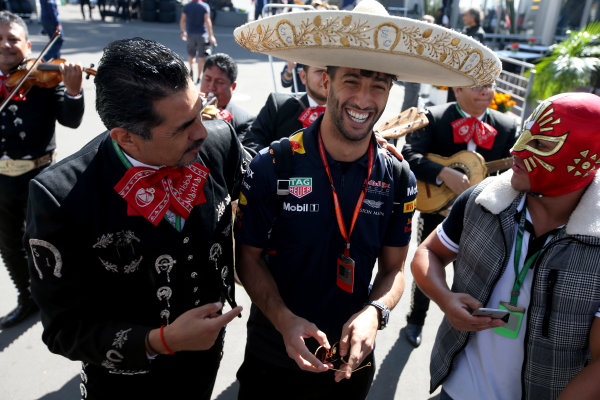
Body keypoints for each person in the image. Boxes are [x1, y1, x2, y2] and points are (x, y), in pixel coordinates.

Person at [232, 0, 501, 397]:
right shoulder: (274, 163)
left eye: (378, 85)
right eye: (352, 81)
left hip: (351, 362)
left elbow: (395, 269)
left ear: (390, 91)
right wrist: (284, 320)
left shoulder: (399, 177)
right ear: (327, 82)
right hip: (274, 355)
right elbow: (246, 257)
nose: (363, 98)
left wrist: (375, 314)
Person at [24, 38, 246, 399]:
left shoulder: (219, 142)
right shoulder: (61, 197)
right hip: (125, 383)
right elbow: (64, 328)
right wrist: (162, 340)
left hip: (206, 363)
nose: (202, 132)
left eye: (199, 111)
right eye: (183, 127)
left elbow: (272, 192)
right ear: (126, 138)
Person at [411, 92, 600, 399]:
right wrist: (445, 299)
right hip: (456, 388)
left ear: (587, 156)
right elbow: (429, 251)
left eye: (540, 143)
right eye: (525, 131)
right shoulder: (483, 199)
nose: (516, 148)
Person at [401, 83, 518, 347]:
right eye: (477, 86)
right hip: (436, 209)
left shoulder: (507, 126)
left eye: (489, 85)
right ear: (457, 90)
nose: (485, 91)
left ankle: (465, 331)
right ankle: (415, 319)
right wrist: (443, 173)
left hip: (483, 215)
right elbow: (408, 154)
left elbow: (513, 171)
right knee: (428, 265)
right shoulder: (434, 116)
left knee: (475, 274)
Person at [0, 11, 84, 329]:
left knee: (50, 242)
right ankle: (27, 299)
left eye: (13, 39)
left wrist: (74, 90)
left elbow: (71, 120)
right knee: (8, 244)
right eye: (0, 39)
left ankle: (62, 299)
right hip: (1, 180)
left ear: (28, 44)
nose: (6, 45)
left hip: (39, 177)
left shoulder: (45, 78)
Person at [245, 64, 327, 154]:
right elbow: (251, 143)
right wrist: (273, 161)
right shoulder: (279, 107)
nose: (327, 78)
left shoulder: (344, 113)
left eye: (332, 72)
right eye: (320, 71)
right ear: (303, 76)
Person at [199, 53, 255, 144]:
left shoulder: (245, 122)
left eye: (219, 82)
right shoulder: (187, 109)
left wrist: (221, 129)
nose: (211, 87)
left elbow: (243, 156)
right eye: (207, 79)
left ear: (233, 87)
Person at [180, 0, 216, 84]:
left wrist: (183, 32)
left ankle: (191, 69)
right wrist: (211, 36)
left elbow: (182, 20)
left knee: (191, 54)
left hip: (190, 34)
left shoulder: (187, 6)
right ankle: (199, 77)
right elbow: (207, 21)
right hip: (202, 35)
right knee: (201, 57)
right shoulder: (204, 6)